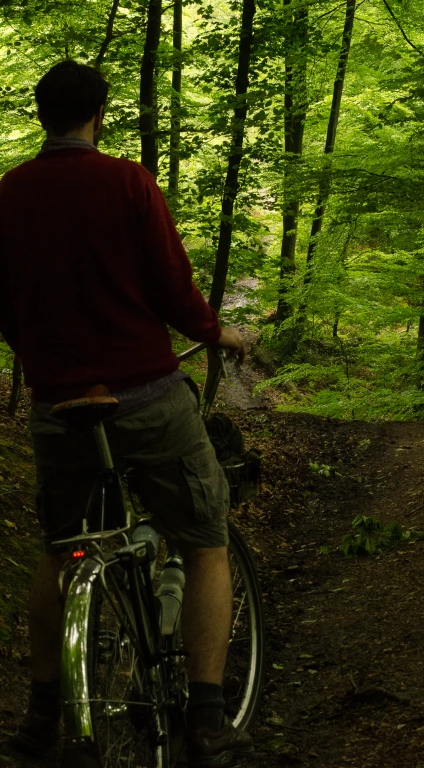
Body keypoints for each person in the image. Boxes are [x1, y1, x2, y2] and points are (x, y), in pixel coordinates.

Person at [0, 60, 252, 768]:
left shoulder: (9, 194)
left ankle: (41, 713)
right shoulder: (128, 182)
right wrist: (217, 332)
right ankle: (206, 714)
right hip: (145, 395)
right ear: (99, 115)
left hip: (60, 407)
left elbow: (6, 304)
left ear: (42, 115)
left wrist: (45, 359)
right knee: (205, 537)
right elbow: (173, 288)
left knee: (59, 551)